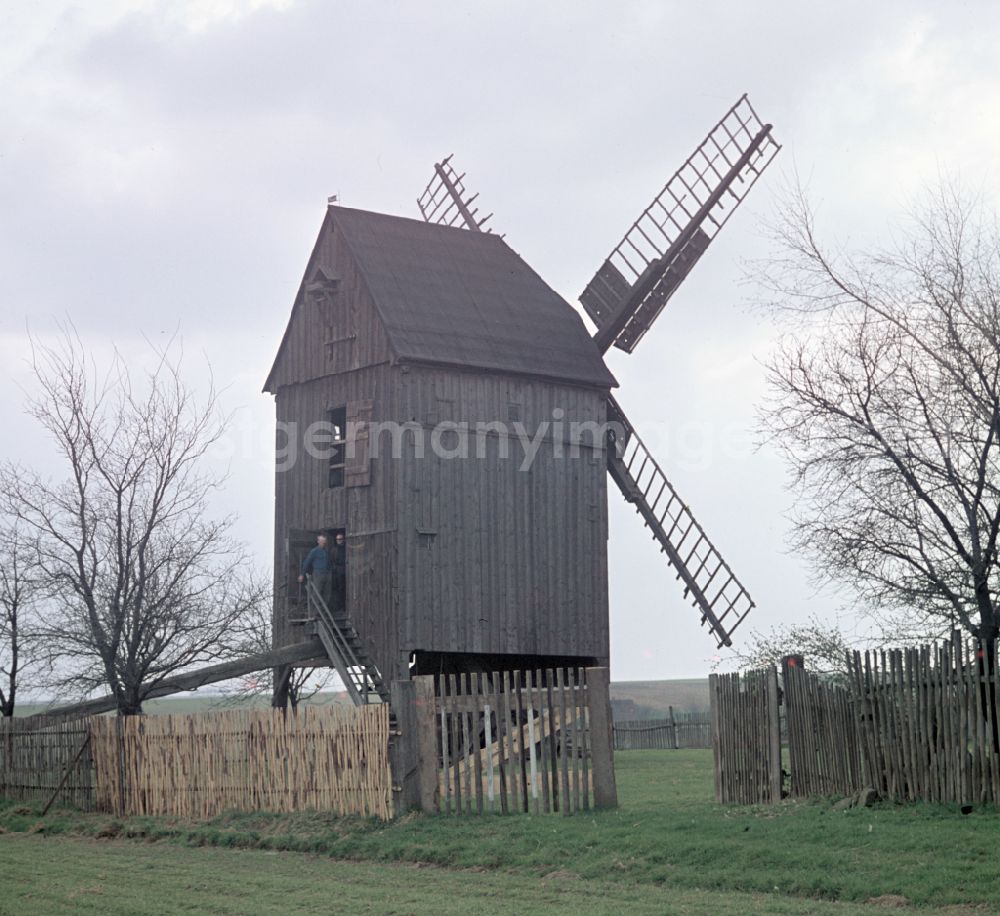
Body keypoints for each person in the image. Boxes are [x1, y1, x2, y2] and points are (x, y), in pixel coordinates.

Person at [298, 533, 332, 607]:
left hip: (327, 574)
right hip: (318, 574)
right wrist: (302, 574)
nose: (324, 542)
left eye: (324, 541)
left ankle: (324, 611)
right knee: (317, 593)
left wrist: (331, 572)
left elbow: (330, 563)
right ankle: (314, 612)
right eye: (322, 541)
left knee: (327, 593)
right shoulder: (314, 551)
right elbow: (307, 562)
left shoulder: (326, 552)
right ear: (318, 541)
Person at [330, 530, 347, 614]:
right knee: (338, 589)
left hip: (346, 570)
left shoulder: (346, 548)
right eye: (337, 539)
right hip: (337, 571)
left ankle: (345, 606)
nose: (339, 540)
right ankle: (340, 607)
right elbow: (332, 560)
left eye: (340, 539)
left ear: (343, 539)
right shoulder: (334, 550)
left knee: (345, 588)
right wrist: (334, 569)